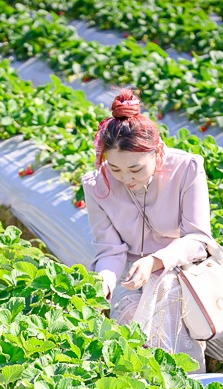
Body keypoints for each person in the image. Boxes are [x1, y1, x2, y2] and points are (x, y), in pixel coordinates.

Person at [82, 90, 213, 371]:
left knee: (169, 308)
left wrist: (155, 261)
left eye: (135, 169)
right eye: (115, 168)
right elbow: (110, 250)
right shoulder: (96, 185)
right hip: (129, 272)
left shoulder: (187, 168)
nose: (126, 179)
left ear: (158, 153)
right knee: (129, 329)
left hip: (180, 266)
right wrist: (105, 279)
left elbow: (199, 238)